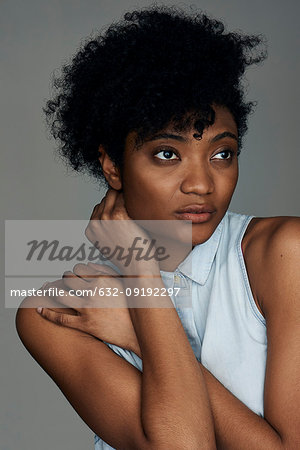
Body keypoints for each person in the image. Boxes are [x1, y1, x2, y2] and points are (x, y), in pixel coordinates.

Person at [15, 5, 300, 450]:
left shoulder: (284, 254)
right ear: (112, 164)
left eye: (222, 153)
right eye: (167, 153)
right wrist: (142, 276)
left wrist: (136, 329)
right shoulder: (57, 313)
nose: (202, 183)